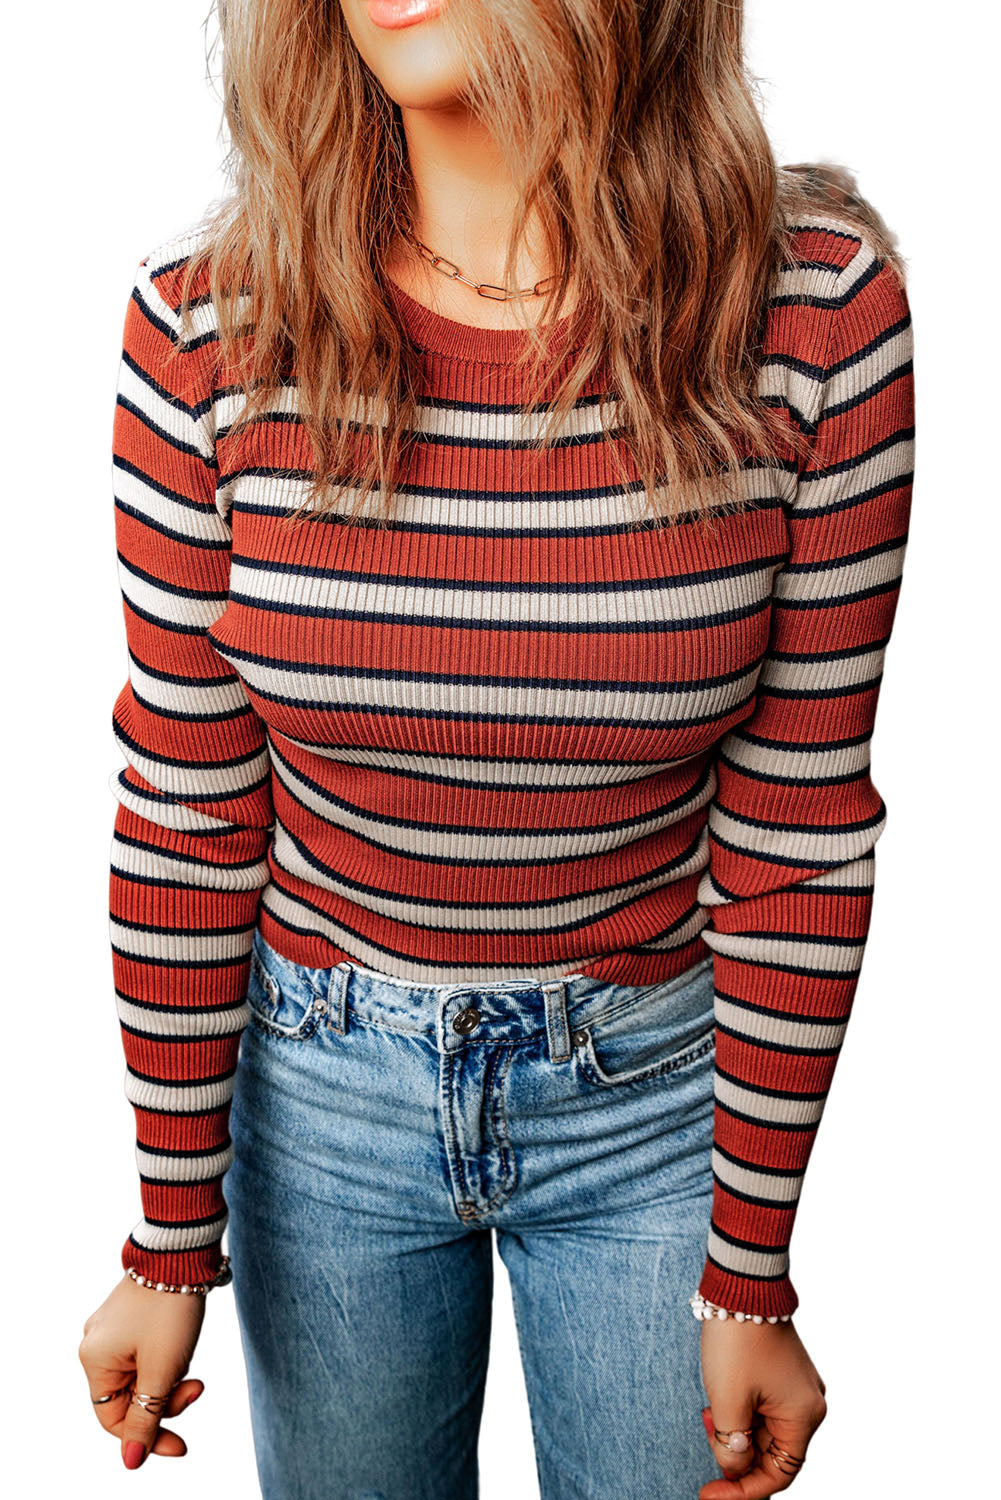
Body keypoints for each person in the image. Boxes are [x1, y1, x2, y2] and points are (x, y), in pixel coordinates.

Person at [77, 1, 915, 1496]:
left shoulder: (812, 316)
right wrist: (165, 1235)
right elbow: (189, 816)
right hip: (319, 1101)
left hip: (656, 1101)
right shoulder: (205, 328)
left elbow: (798, 829)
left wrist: (749, 1270)